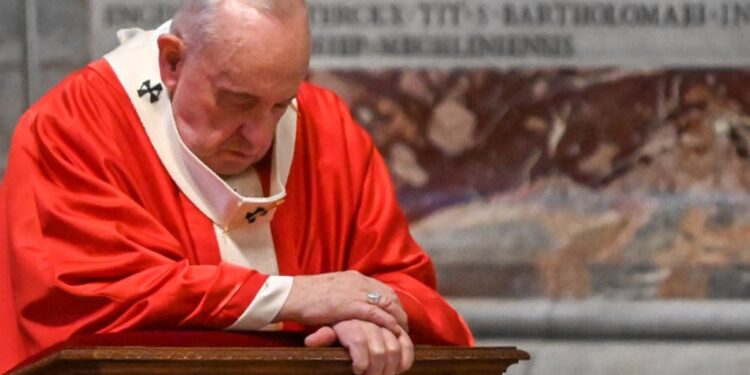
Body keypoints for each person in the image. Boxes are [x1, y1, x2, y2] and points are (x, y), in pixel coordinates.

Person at [0, 0, 474, 373]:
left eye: (279, 104)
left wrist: (364, 317)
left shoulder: (326, 126)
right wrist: (298, 298)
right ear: (172, 62)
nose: (261, 137)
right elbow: (90, 297)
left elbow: (401, 285)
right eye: (237, 102)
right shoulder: (74, 128)